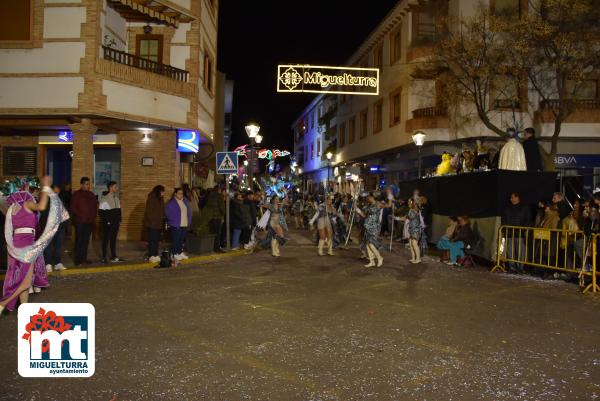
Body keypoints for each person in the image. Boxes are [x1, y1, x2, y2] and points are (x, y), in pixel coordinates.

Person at [1, 176, 69, 315]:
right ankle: (2, 304)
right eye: (36, 191)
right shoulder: (27, 203)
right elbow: (42, 206)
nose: (37, 194)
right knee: (26, 283)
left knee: (23, 279)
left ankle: (24, 309)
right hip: (26, 245)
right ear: (27, 190)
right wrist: (45, 186)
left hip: (16, 243)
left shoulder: (13, 207)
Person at [70, 177, 98, 266]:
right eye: (86, 184)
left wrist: (93, 217)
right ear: (82, 184)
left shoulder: (91, 194)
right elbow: (73, 208)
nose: (88, 186)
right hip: (80, 221)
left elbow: (95, 207)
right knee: (79, 241)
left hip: (89, 222)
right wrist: (81, 215)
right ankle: (77, 260)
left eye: (89, 184)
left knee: (86, 241)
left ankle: (84, 259)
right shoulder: (76, 194)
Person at [501, 192, 531, 273]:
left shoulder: (524, 208)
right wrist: (504, 230)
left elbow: (527, 220)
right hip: (509, 233)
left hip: (520, 233)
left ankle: (520, 267)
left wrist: (523, 229)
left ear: (517, 198)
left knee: (521, 251)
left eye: (512, 197)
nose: (511, 199)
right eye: (511, 198)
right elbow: (503, 220)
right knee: (510, 251)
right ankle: (512, 267)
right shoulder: (507, 208)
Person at [43, 185, 69, 272]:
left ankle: (58, 263)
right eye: (56, 191)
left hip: (60, 227)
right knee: (48, 246)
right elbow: (44, 214)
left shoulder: (60, 200)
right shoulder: (46, 201)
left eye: (58, 191)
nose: (57, 192)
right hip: (50, 228)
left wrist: (64, 224)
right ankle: (48, 264)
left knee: (58, 246)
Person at [355, 193, 385, 267]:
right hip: (368, 226)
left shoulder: (378, 204)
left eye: (369, 197)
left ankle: (379, 257)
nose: (367, 198)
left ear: (372, 197)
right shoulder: (369, 205)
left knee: (371, 244)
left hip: (375, 227)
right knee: (368, 244)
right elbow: (365, 216)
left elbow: (388, 205)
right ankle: (372, 261)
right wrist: (358, 211)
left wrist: (390, 197)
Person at [99, 181, 123, 264]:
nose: (116, 188)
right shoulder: (105, 199)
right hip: (108, 224)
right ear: (110, 188)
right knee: (106, 240)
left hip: (116, 223)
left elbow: (119, 211)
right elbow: (101, 212)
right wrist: (107, 222)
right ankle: (104, 257)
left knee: (113, 240)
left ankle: (114, 256)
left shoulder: (116, 198)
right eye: (115, 186)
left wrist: (119, 220)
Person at [165, 188, 192, 261]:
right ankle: (174, 253)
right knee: (175, 240)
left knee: (181, 240)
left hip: (184, 224)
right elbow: (168, 213)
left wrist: (189, 221)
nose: (181, 195)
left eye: (182, 193)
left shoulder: (184, 201)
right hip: (176, 224)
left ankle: (180, 252)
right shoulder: (171, 203)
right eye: (179, 193)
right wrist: (172, 221)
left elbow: (188, 212)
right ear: (175, 194)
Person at [143, 185, 165, 263]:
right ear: (158, 191)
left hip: (158, 223)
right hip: (152, 224)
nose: (163, 193)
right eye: (162, 191)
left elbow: (162, 210)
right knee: (152, 240)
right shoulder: (152, 198)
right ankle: (151, 255)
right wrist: (153, 221)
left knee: (156, 240)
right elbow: (149, 212)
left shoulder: (160, 198)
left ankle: (155, 254)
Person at [400, 198, 424, 264]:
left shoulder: (416, 210)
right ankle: (413, 257)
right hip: (411, 228)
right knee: (411, 244)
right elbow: (406, 217)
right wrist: (398, 218)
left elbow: (407, 217)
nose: (409, 203)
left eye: (410, 202)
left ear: (414, 203)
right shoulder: (411, 210)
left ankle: (418, 258)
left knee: (414, 244)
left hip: (416, 229)